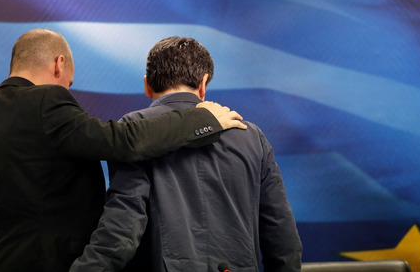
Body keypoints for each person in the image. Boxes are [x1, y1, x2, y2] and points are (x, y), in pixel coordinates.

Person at [0, 29, 247, 272]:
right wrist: (202, 120)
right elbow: (122, 141)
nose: (68, 89)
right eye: (70, 84)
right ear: (59, 65)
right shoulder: (48, 101)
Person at [71, 36, 302, 272]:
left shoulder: (134, 129)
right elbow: (282, 237)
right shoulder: (252, 136)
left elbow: (123, 226)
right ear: (203, 84)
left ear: (147, 85)